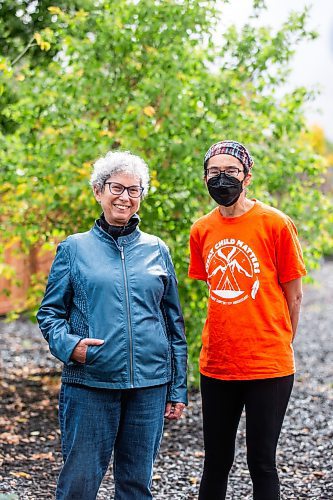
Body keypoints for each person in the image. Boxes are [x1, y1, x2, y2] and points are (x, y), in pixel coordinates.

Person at [37, 150, 187, 500]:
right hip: (91, 383)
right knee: (79, 484)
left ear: (141, 197)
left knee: (137, 486)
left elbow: (173, 324)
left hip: (149, 387)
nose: (125, 197)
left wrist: (177, 387)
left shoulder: (157, 249)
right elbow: (49, 314)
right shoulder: (74, 249)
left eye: (134, 190)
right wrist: (70, 347)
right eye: (116, 187)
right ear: (98, 191)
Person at [188, 140, 306, 500]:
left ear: (247, 177)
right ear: (205, 177)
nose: (221, 179)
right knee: (216, 462)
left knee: (262, 462)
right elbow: (217, 292)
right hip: (217, 365)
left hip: (268, 367)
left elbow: (294, 294)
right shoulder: (201, 230)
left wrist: (279, 343)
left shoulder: (276, 224)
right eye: (213, 172)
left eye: (231, 172)